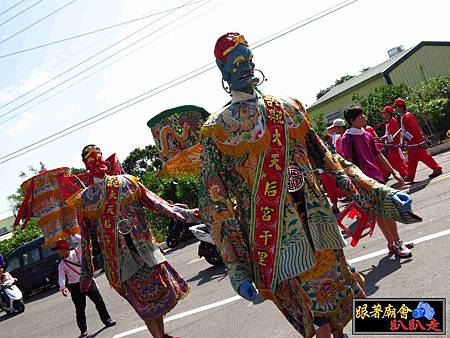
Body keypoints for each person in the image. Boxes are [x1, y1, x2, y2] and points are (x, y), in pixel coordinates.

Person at [199, 32, 419, 338]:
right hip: (273, 240)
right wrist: (237, 267)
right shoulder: (217, 130)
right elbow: (215, 205)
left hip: (319, 227)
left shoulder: (289, 108)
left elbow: (332, 162)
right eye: (236, 61)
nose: (246, 65)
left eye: (248, 58)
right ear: (222, 70)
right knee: (314, 321)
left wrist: (382, 192)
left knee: (342, 308)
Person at [66, 145, 199, 338]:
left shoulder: (127, 182)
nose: (97, 162)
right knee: (142, 303)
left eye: (98, 158)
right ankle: (159, 337)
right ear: (86, 165)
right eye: (91, 160)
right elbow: (86, 240)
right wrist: (86, 273)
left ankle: (160, 335)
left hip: (145, 250)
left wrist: (188, 214)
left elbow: (158, 203)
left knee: (157, 296)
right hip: (119, 260)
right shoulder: (84, 199)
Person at [341, 105, 413, 258]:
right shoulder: (347, 138)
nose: (364, 117)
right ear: (352, 120)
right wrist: (354, 185)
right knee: (385, 210)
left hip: (377, 178)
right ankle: (397, 243)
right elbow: (347, 163)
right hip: (363, 182)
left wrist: (394, 172)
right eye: (360, 116)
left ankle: (392, 243)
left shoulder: (366, 135)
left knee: (382, 212)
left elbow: (378, 155)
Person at [53, 235, 115, 338]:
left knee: (99, 301)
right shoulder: (62, 264)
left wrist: (72, 233)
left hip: (87, 280)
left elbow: (82, 241)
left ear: (64, 248)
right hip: (75, 287)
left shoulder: (78, 253)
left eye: (58, 250)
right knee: (80, 309)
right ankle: (83, 330)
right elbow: (61, 277)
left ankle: (107, 320)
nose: (57, 252)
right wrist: (63, 287)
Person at [394, 98, 442, 182]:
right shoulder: (404, 117)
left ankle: (437, 168)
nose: (395, 109)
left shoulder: (407, 116)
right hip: (412, 143)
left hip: (415, 143)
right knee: (412, 160)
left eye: (396, 107)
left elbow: (413, 129)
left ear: (401, 107)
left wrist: (406, 139)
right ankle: (410, 176)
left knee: (424, 157)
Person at [379, 106, 408, 178]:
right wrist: (384, 137)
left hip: (393, 144)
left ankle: (404, 173)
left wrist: (385, 138)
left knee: (393, 161)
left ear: (388, 113)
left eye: (384, 113)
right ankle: (406, 173)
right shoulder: (388, 122)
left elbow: (395, 134)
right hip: (390, 144)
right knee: (397, 160)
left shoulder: (393, 121)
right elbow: (389, 133)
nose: (383, 114)